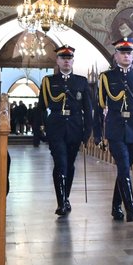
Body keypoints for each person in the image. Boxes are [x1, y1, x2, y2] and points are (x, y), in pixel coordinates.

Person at [94, 37, 133, 222]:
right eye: (123, 53)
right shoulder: (107, 77)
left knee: (124, 169)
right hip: (116, 129)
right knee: (124, 167)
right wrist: (98, 134)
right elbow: (99, 108)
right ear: (116, 55)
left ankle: (115, 207)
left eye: (129, 53)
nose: (126, 56)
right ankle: (131, 210)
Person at [38, 45, 93, 216]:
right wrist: (41, 128)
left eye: (69, 58)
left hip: (75, 127)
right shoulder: (49, 81)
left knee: (69, 165)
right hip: (56, 127)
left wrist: (87, 132)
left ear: (73, 61)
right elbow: (41, 107)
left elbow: (88, 109)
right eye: (63, 58)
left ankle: (66, 197)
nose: (66, 61)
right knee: (60, 163)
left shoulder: (81, 81)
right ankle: (61, 202)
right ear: (58, 61)